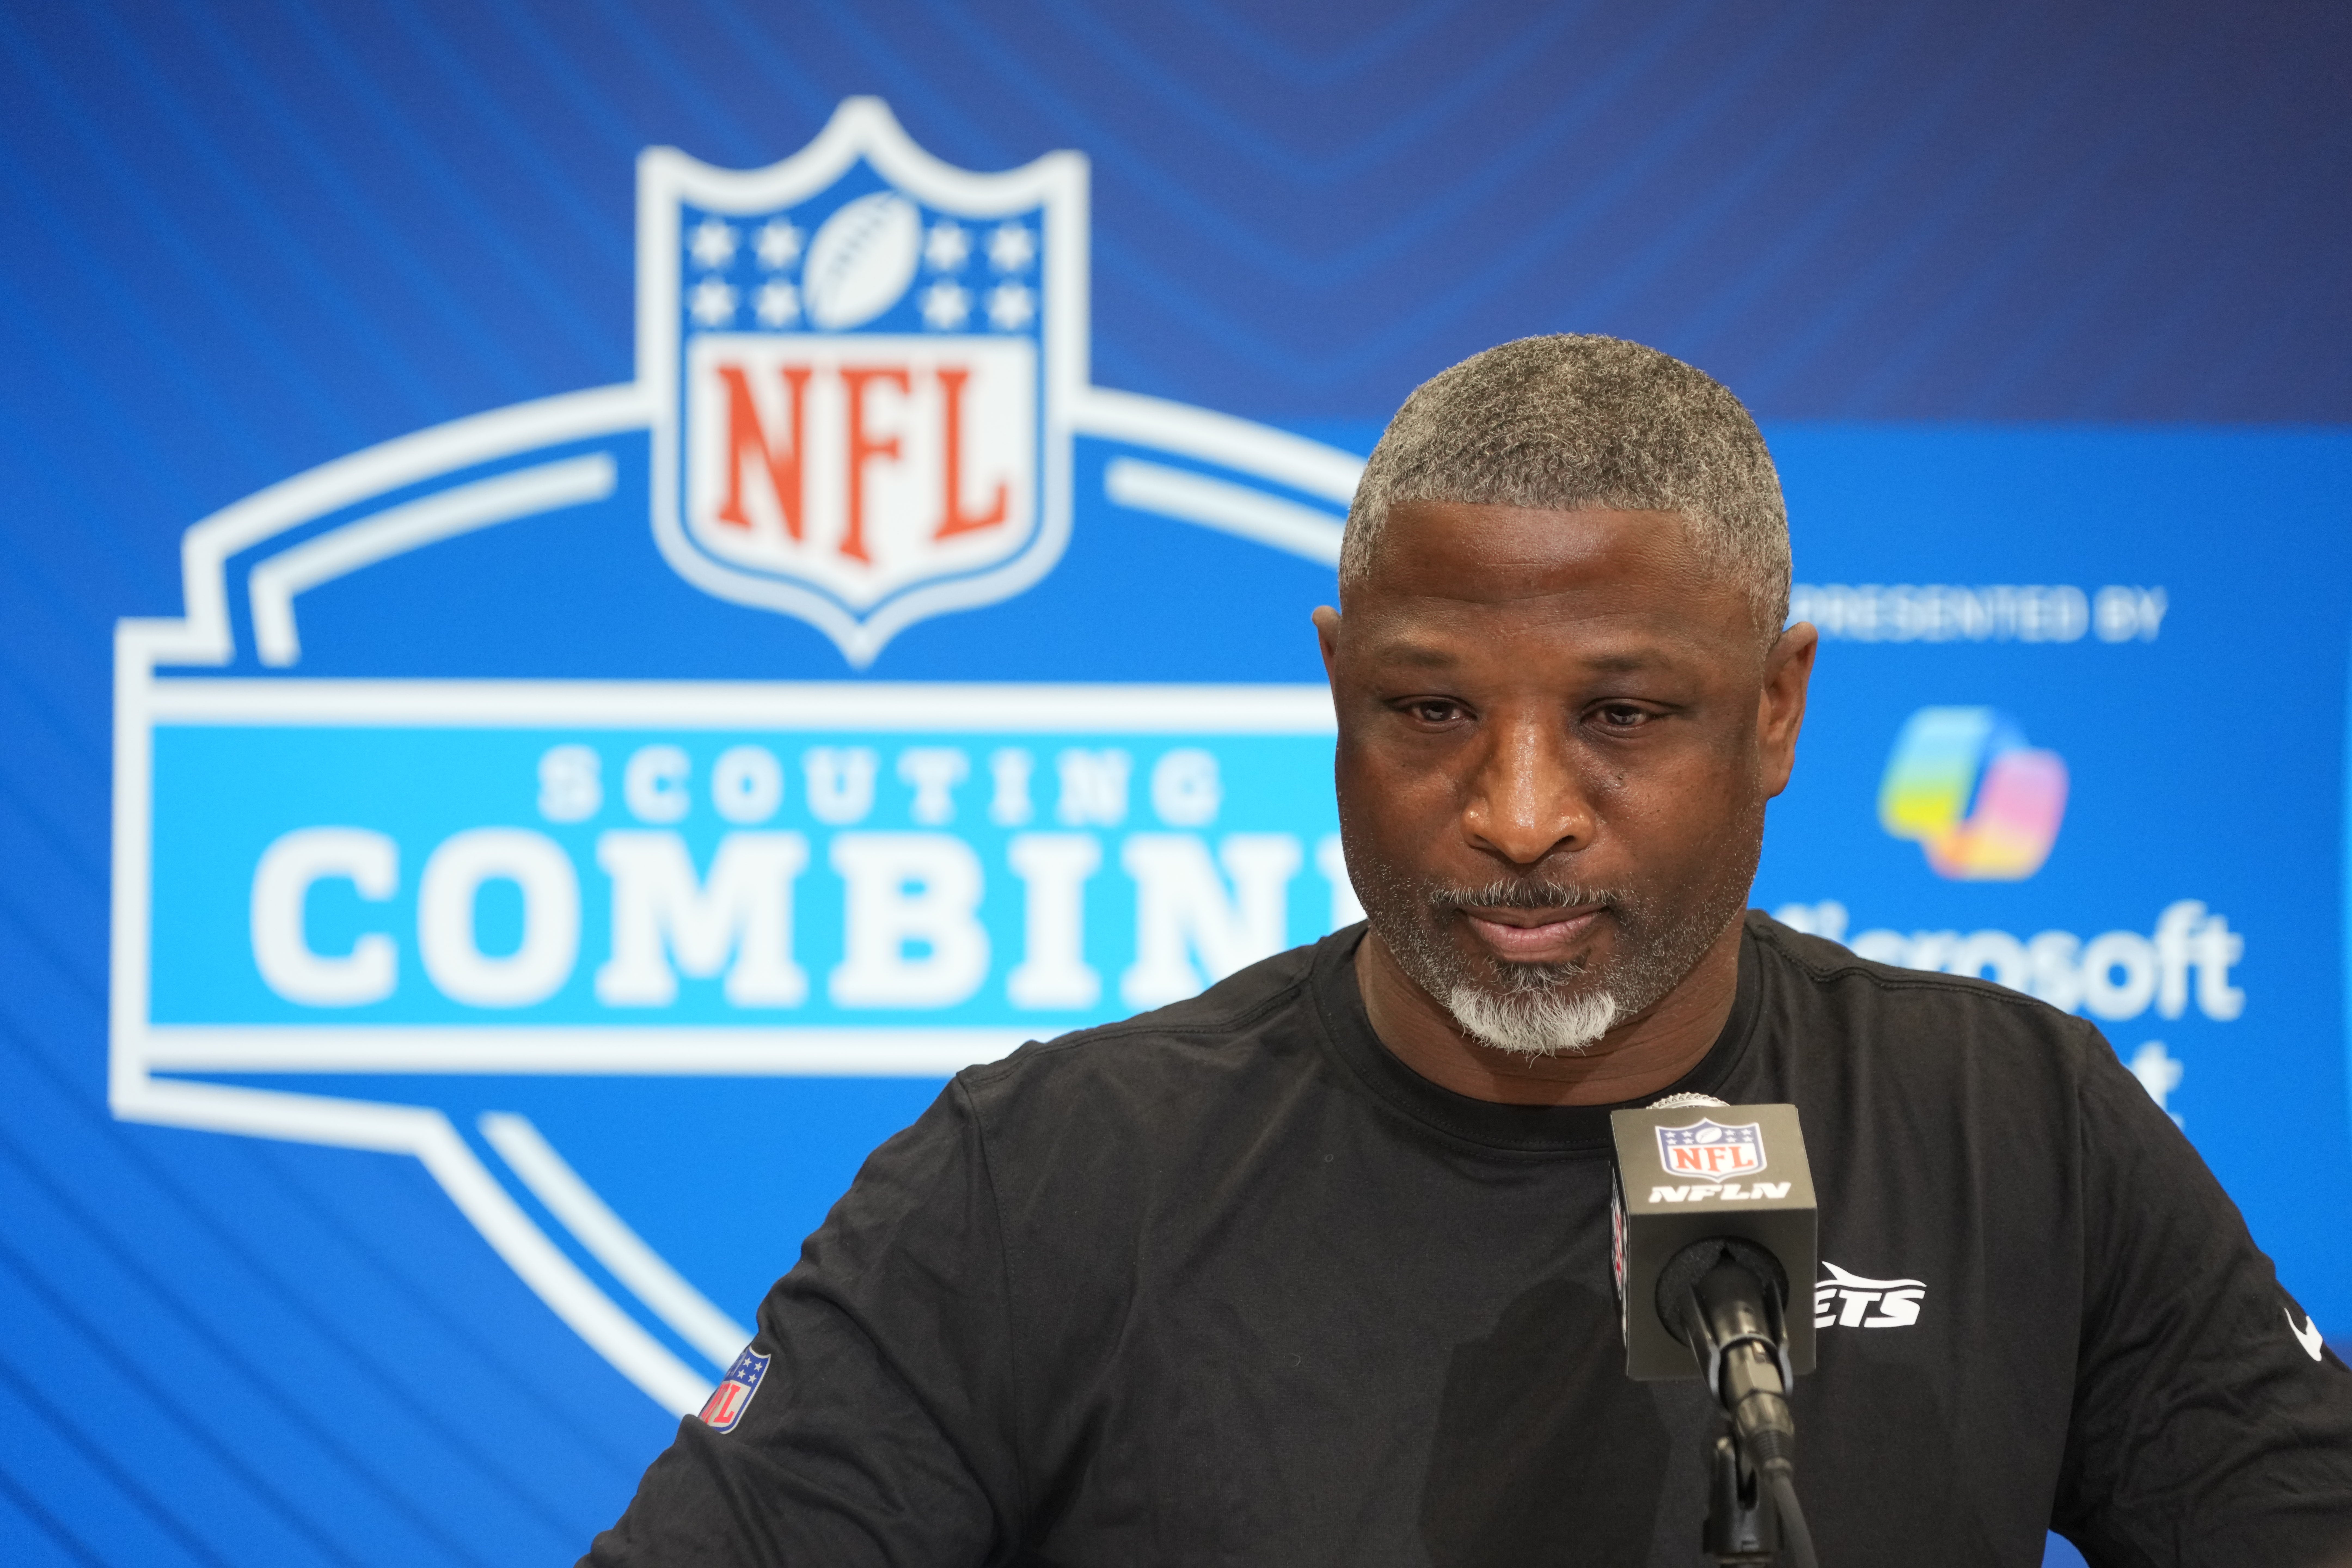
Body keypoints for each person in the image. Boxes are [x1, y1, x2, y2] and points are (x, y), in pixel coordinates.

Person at [584, 336, 2352, 1566]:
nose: (1516, 812)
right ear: (1337, 686)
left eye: (1622, 715)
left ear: (1779, 709)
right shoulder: (1042, 1175)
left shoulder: (2015, 1122)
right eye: (1429, 706)